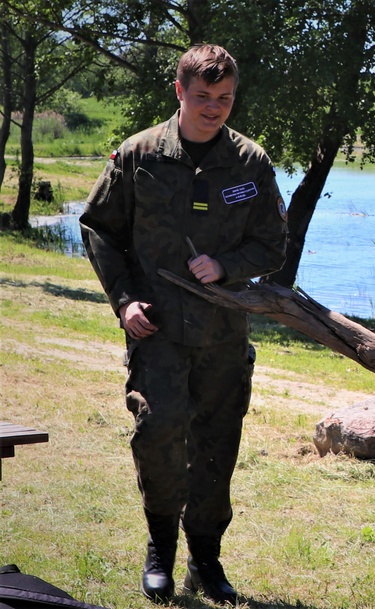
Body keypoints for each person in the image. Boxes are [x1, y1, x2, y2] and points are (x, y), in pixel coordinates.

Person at [80, 44, 288, 605]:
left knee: (217, 447)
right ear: (179, 92)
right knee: (159, 434)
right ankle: (160, 552)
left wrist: (227, 266)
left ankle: (206, 559)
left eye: (224, 99)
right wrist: (124, 301)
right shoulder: (139, 155)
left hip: (224, 335)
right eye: (203, 97)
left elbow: (272, 243)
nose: (214, 109)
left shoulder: (250, 162)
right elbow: (99, 230)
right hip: (159, 332)